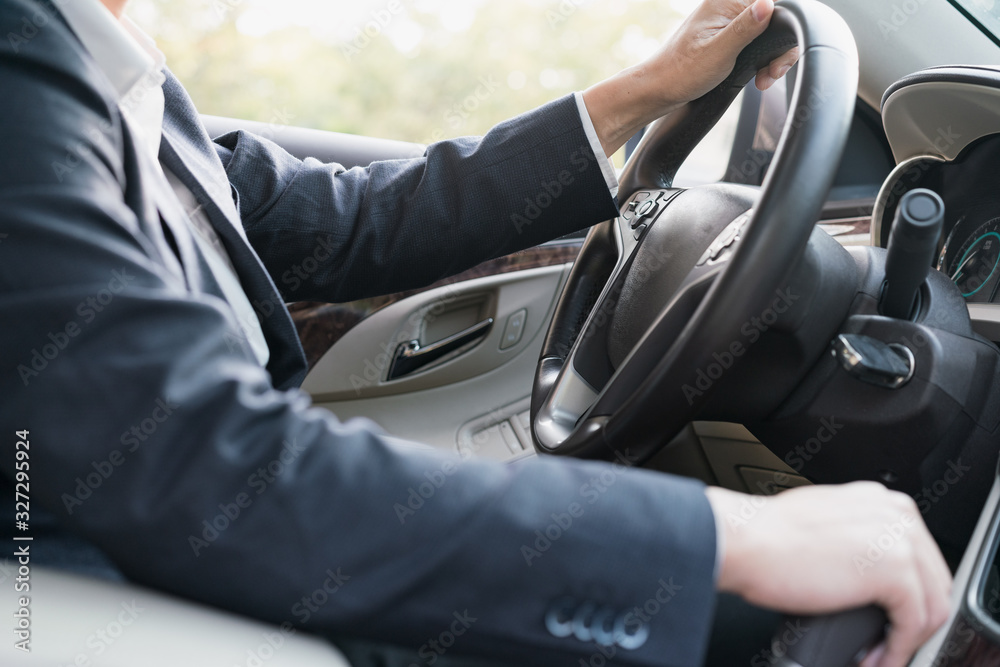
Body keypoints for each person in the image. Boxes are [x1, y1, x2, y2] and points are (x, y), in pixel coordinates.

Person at [0, 0, 950, 665]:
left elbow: (338, 218)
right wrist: (728, 537)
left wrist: (651, 89)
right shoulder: (20, 62)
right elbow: (198, 469)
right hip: (110, 593)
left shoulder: (100, 58)